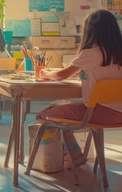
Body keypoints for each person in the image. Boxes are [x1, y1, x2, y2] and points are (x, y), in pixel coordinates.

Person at [36, 9, 122, 167]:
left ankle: (75, 155)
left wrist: (44, 72)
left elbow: (61, 75)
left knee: (43, 114)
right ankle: (73, 155)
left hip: (99, 113)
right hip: (119, 115)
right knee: (60, 107)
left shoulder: (91, 54)